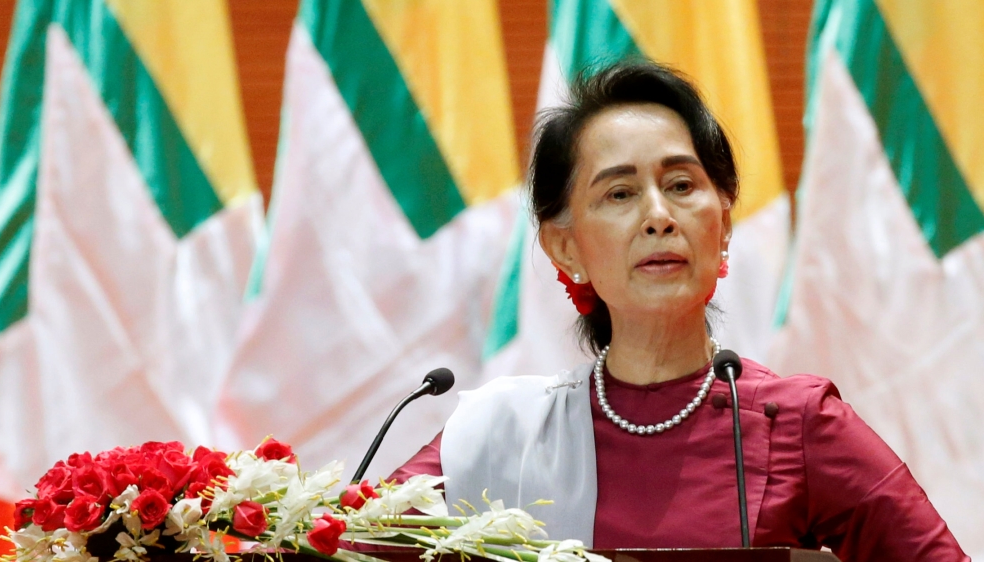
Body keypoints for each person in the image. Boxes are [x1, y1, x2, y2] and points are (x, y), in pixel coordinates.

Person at [386, 61, 968, 561]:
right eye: (620, 193)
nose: (659, 215)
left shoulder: (796, 424)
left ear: (722, 226)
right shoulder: (504, 435)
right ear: (566, 248)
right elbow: (349, 542)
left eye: (682, 184)